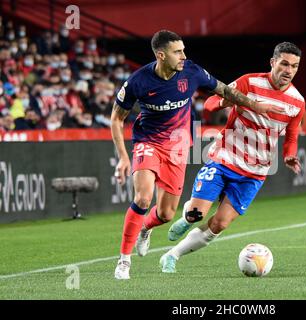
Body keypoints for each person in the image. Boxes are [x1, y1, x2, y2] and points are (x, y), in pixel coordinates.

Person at [112, 30, 284, 279]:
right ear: (161, 55)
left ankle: (146, 228)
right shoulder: (138, 81)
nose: (184, 55)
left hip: (178, 147)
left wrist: (257, 106)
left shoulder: (191, 72)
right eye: (177, 51)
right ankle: (124, 261)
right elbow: (116, 119)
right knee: (143, 197)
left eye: (183, 50)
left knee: (166, 214)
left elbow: (225, 91)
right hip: (148, 142)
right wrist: (123, 156)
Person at [155, 42, 305, 273]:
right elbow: (210, 104)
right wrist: (231, 100)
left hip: (255, 172)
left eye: (294, 66)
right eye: (284, 64)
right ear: (273, 62)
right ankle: (187, 219)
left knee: (219, 224)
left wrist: (289, 155)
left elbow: (292, 137)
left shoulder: (297, 102)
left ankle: (172, 256)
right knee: (197, 214)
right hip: (224, 158)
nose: (288, 70)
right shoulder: (248, 82)